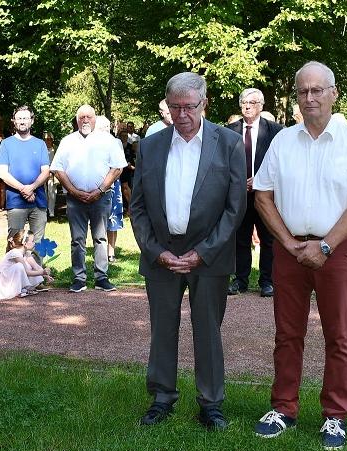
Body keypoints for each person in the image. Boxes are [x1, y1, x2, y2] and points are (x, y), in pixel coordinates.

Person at [252, 61, 347, 450]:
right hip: (288, 251)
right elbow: (262, 196)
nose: (310, 97)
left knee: (339, 335)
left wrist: (324, 246)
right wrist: (288, 243)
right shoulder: (282, 141)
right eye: (303, 91)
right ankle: (284, 408)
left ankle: (335, 416)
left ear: (333, 93)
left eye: (317, 90)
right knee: (288, 334)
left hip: (335, 251)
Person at [130, 72, 246, 430]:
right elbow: (137, 207)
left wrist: (204, 252)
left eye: (189, 106)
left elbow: (235, 207)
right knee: (162, 327)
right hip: (162, 254)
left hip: (209, 255)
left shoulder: (229, 143)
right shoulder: (150, 145)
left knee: (208, 329)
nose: (181, 114)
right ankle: (161, 397)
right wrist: (154, 251)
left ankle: (211, 403)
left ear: (204, 104)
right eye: (174, 107)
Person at [50, 105, 126, 293]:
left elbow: (117, 168)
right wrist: (74, 191)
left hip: (101, 197)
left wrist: (100, 190)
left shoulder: (108, 140)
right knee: (77, 239)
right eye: (81, 117)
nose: (85, 120)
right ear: (76, 120)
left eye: (89, 117)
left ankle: (101, 278)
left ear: (95, 119)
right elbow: (58, 169)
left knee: (100, 238)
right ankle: (78, 278)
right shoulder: (67, 141)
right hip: (75, 199)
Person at [226, 88, 284, 297]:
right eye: (244, 102)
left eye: (252, 102)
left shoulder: (276, 131)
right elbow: (223, 164)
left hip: (266, 195)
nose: (247, 106)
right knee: (240, 239)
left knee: (268, 238)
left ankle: (267, 281)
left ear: (261, 105)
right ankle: (240, 280)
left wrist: (259, 181)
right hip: (239, 195)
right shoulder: (229, 131)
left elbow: (281, 163)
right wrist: (240, 182)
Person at [0, 105, 50, 240]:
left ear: (32, 121)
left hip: (38, 201)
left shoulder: (40, 144)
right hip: (16, 202)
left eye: (25, 118)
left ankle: (36, 263)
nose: (22, 121)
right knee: (14, 243)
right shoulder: (6, 144)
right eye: (19, 118)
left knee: (38, 244)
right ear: (14, 121)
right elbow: (3, 173)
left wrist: (32, 188)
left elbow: (46, 172)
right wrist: (24, 190)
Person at [0, 230, 54, 300]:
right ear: (25, 243)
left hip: (10, 275)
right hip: (3, 278)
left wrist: (46, 275)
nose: (34, 243)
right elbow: (27, 272)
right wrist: (42, 272)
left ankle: (23, 288)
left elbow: (36, 266)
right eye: (32, 241)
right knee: (20, 266)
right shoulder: (15, 253)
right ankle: (17, 290)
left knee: (27, 265)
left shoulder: (26, 253)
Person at [95, 116, 125, 263]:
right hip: (95, 184)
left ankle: (111, 252)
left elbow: (120, 166)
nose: (105, 129)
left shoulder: (116, 142)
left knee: (113, 218)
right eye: (102, 127)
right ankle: (99, 251)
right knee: (98, 219)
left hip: (113, 184)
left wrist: (110, 181)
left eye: (107, 126)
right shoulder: (91, 143)